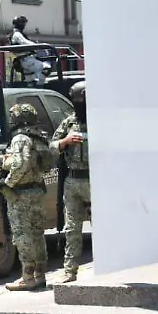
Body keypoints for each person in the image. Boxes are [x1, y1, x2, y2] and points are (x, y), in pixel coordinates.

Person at [0, 103, 53, 291]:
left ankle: (27, 277)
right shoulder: (38, 136)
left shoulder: (20, 138)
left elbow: (21, 163)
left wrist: (8, 183)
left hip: (21, 194)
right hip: (37, 191)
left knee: (22, 235)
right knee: (37, 233)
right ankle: (40, 274)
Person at [51, 81, 90, 283]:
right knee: (72, 228)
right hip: (73, 181)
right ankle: (70, 271)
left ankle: (106, 268)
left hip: (96, 181)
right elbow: (51, 147)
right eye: (78, 102)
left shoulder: (103, 121)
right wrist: (65, 141)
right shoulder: (68, 123)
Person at [9, 15, 52, 86]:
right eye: (23, 23)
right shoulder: (17, 34)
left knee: (31, 82)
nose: (24, 25)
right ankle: (40, 85)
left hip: (25, 60)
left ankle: (34, 89)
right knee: (46, 68)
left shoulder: (17, 34)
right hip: (27, 60)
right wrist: (38, 46)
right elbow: (25, 43)